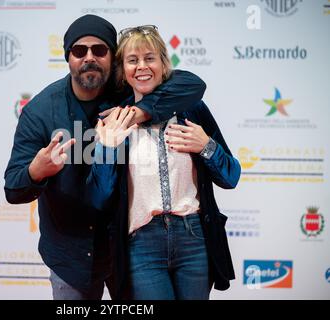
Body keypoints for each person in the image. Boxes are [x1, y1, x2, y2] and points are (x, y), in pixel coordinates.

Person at [4, 15, 206, 300]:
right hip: (70, 254)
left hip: (127, 247)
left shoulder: (127, 92)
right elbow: (13, 188)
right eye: (79, 51)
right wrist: (36, 171)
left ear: (113, 57)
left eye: (100, 50)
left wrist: (140, 112)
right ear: (67, 57)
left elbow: (190, 85)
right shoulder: (40, 111)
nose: (89, 58)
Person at [94, 25, 241, 300]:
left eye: (149, 58)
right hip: (141, 243)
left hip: (194, 238)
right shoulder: (114, 120)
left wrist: (206, 146)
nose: (142, 67)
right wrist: (105, 149)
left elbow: (231, 177)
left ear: (163, 63)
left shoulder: (192, 109)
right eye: (132, 60)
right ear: (122, 70)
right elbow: (100, 196)